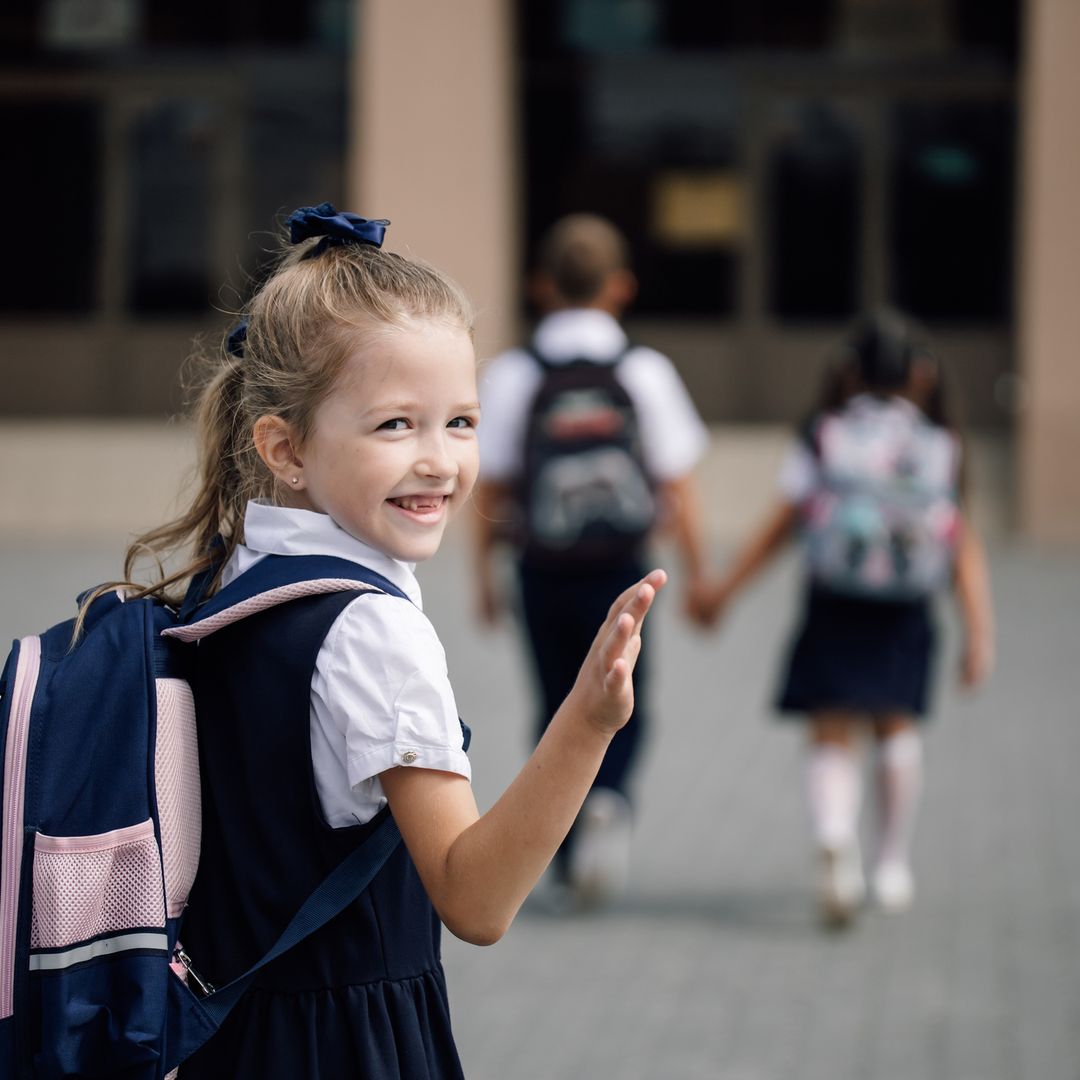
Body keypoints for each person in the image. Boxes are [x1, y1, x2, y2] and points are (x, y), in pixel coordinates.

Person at [95, 203, 664, 1078]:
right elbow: (476, 900)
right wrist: (588, 721)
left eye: (461, 422)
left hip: (231, 1034)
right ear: (284, 447)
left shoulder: (229, 578)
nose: (439, 459)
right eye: (396, 424)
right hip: (346, 1046)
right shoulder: (374, 634)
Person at [705, 307, 994, 927]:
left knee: (830, 729)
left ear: (847, 371)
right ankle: (891, 864)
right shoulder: (941, 442)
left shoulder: (825, 433)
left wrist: (725, 590)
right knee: (897, 724)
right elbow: (960, 544)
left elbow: (784, 524)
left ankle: (836, 839)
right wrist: (980, 631)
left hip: (834, 600)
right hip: (907, 603)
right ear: (921, 374)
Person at [472, 213, 712, 907]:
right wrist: (700, 578)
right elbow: (677, 484)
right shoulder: (644, 371)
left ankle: (567, 847)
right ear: (621, 287)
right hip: (625, 569)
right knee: (626, 698)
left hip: (541, 565)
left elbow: (493, 486)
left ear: (541, 286)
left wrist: (484, 580)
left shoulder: (516, 373)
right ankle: (609, 796)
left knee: (554, 702)